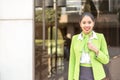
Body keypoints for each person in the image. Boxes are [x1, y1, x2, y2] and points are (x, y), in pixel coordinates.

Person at [68, 12, 109, 80]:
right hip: (79, 74)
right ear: (80, 24)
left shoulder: (100, 37)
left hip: (96, 75)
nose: (87, 25)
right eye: (84, 23)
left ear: (93, 23)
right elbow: (72, 61)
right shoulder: (75, 39)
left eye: (89, 22)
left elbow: (106, 60)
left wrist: (96, 50)